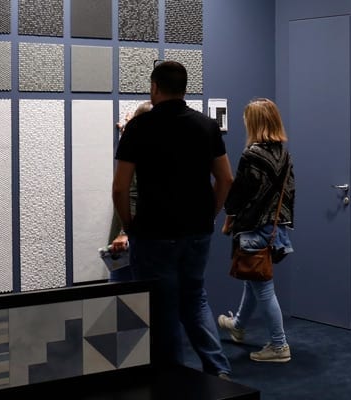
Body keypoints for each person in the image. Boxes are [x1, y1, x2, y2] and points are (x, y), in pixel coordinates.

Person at [112, 61, 234, 379]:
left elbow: (120, 187)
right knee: (195, 299)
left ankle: (174, 379)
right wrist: (210, 214)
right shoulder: (207, 126)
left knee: (162, 307)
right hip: (197, 231)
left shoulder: (139, 127)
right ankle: (218, 371)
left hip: (153, 232)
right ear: (184, 88)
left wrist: (129, 224)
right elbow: (225, 179)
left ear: (154, 87)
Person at [218, 98, 295, 363]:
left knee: (263, 287)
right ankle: (238, 325)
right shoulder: (284, 154)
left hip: (253, 227)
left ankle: (279, 345)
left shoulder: (251, 155)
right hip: (275, 228)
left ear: (254, 123)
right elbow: (289, 193)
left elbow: (238, 193)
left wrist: (229, 218)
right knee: (254, 278)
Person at [107, 101, 152, 282]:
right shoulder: (160, 149)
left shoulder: (137, 152)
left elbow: (131, 193)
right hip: (147, 236)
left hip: (129, 237)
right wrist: (126, 129)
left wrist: (124, 233)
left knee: (120, 287)